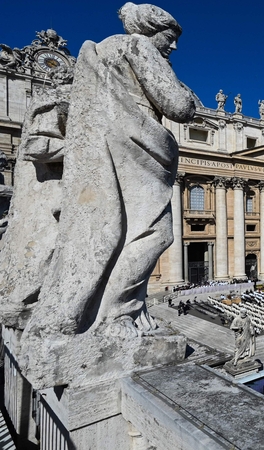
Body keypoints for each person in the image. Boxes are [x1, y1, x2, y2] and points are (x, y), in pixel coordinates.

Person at [22, 2, 196, 341]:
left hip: (109, 149)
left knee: (112, 232)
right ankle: (118, 313)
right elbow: (179, 106)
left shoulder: (103, 51)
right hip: (136, 149)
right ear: (149, 30)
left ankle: (98, 312)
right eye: (169, 37)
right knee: (155, 234)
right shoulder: (138, 46)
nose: (173, 46)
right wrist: (186, 91)